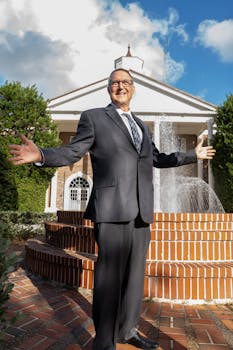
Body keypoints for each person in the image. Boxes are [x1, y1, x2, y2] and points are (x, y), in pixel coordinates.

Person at [9, 68, 216, 350]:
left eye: (126, 82)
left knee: (134, 277)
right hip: (111, 209)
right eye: (115, 82)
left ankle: (127, 330)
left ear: (133, 88)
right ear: (109, 88)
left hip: (142, 213)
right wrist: (42, 154)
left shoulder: (141, 125)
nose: (121, 86)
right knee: (108, 280)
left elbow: (157, 158)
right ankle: (104, 341)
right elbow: (73, 151)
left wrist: (193, 154)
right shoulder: (94, 117)